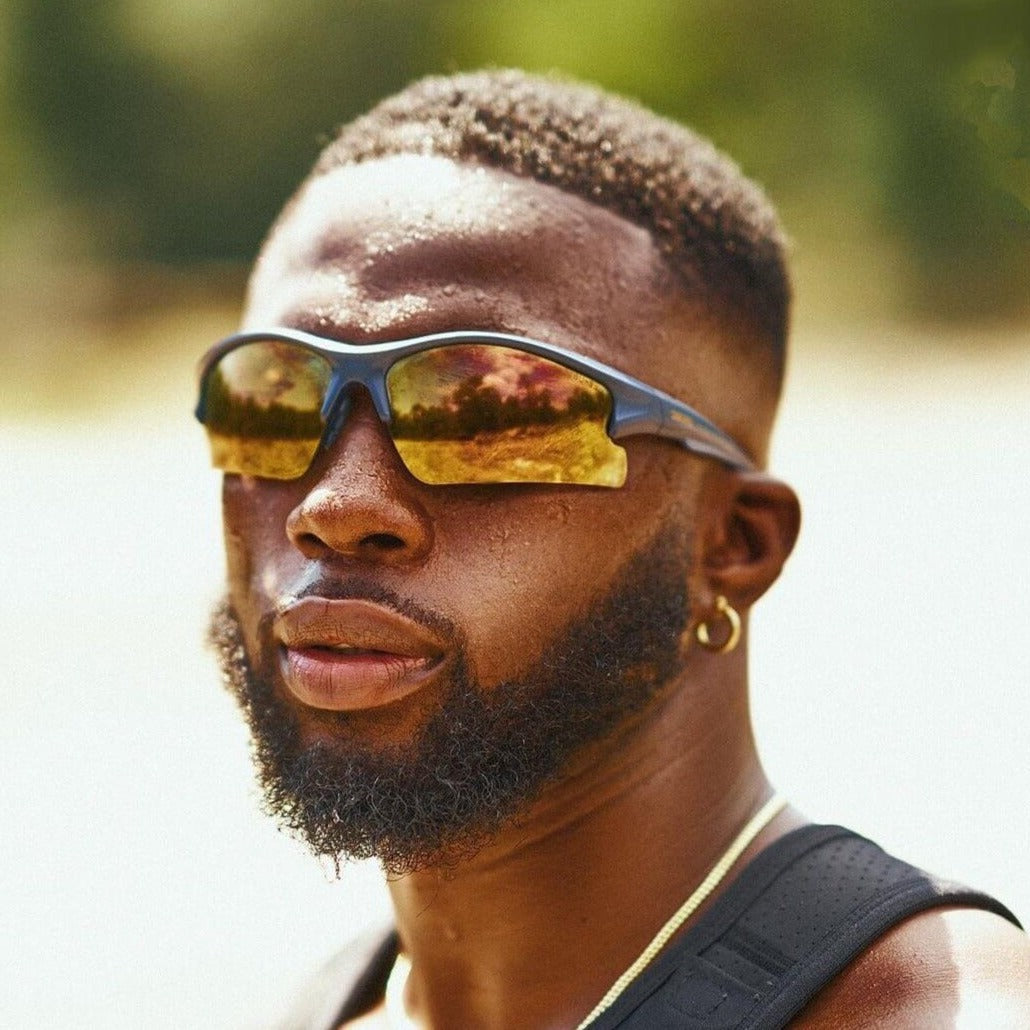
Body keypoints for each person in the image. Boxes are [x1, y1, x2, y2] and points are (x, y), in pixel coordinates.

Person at [198, 70, 1030, 1028]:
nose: (337, 505)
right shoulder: (334, 1009)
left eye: (492, 411)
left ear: (732, 544)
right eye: (273, 400)